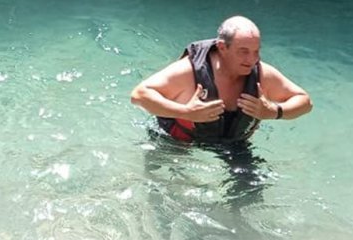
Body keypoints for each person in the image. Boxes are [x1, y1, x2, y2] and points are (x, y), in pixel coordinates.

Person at [130, 15, 311, 145]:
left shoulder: (262, 75)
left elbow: (305, 101)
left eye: (256, 51)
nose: (252, 59)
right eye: (243, 52)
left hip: (233, 145)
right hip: (174, 142)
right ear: (222, 47)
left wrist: (274, 111)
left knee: (253, 183)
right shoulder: (189, 71)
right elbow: (139, 95)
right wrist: (186, 112)